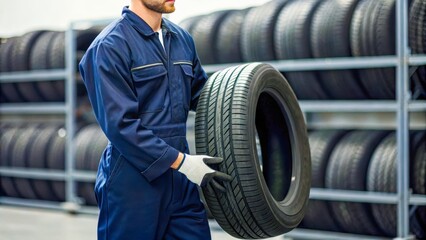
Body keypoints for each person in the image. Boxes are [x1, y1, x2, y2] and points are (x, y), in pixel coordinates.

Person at [79, 0, 232, 239]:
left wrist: (245, 103)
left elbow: (204, 98)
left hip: (182, 182)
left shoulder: (181, 39)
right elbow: (120, 126)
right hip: (133, 184)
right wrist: (182, 162)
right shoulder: (109, 46)